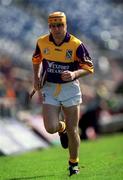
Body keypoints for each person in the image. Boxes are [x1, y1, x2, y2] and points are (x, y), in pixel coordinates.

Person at [32, 11, 94, 176]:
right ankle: (62, 128)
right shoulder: (42, 42)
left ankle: (73, 164)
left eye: (60, 25)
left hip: (70, 89)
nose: (57, 29)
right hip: (50, 88)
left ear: (66, 25)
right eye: (53, 25)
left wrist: (74, 74)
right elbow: (36, 60)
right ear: (49, 27)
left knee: (74, 130)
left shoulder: (76, 44)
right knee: (50, 128)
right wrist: (36, 77)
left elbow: (89, 68)